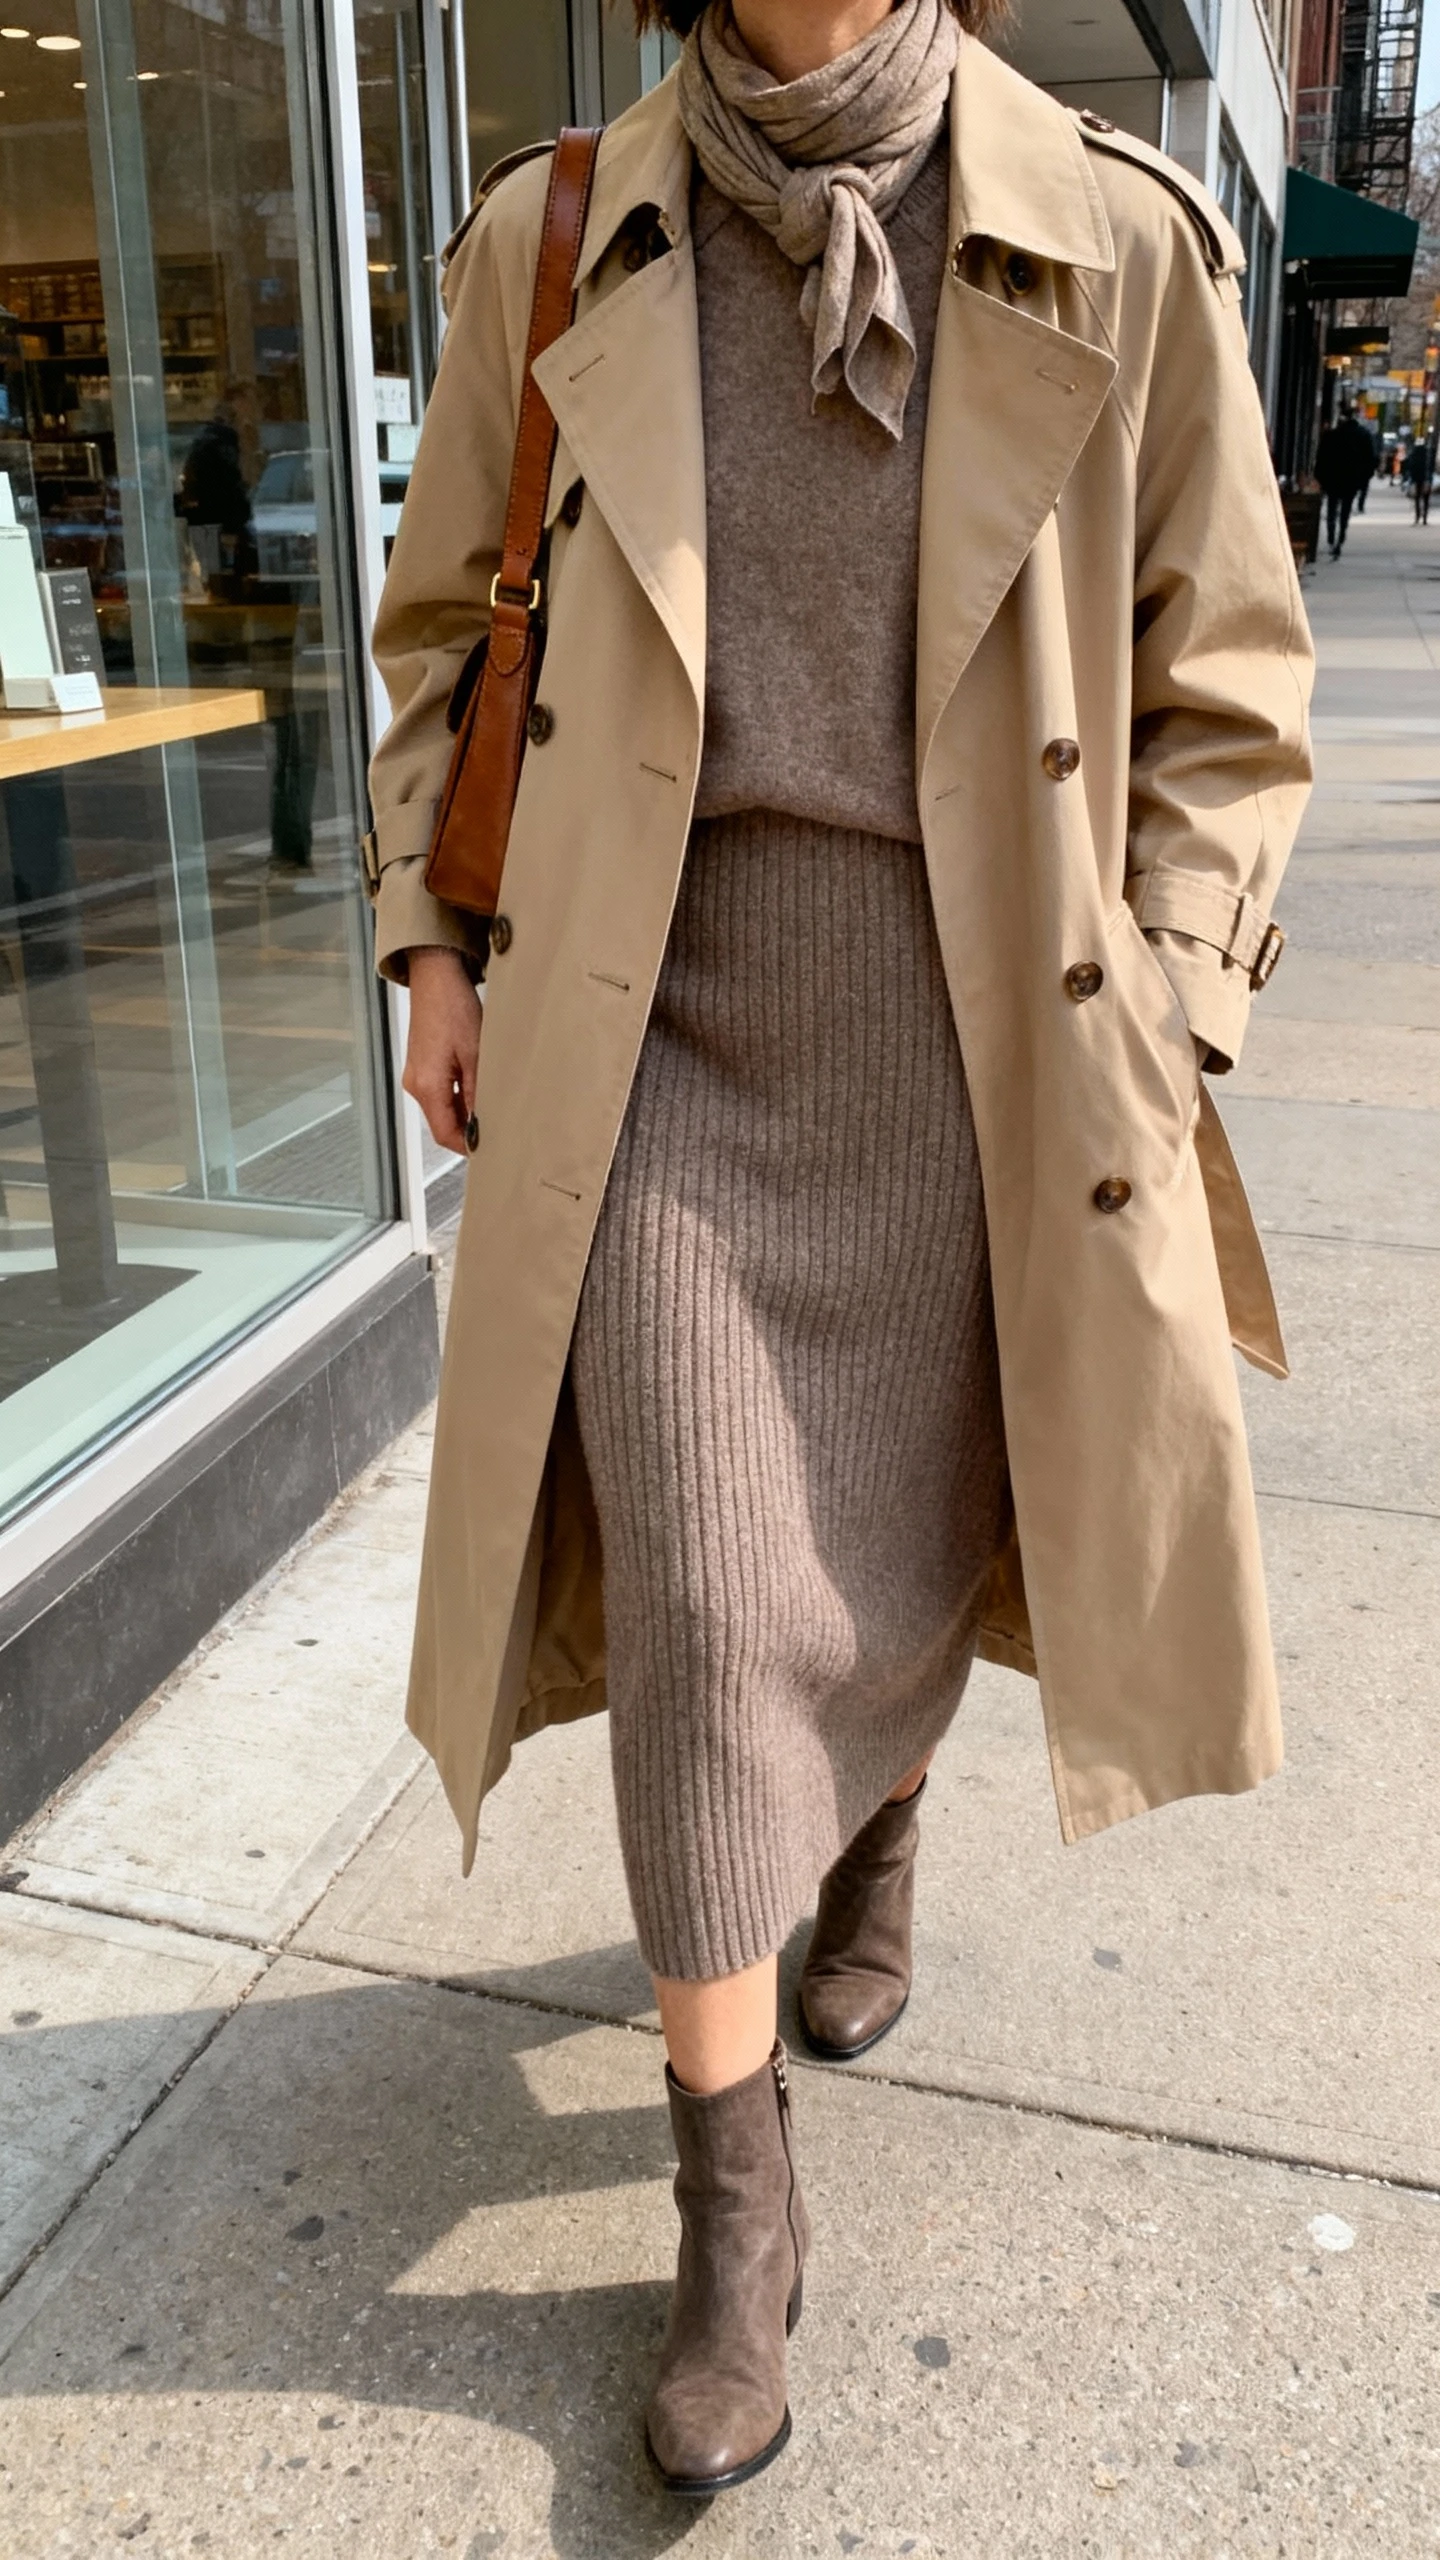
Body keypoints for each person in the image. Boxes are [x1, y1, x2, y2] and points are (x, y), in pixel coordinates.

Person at [365, 0, 1313, 2498]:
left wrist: (1167, 1010)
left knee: (887, 1546)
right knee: (703, 1592)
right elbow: (432, 625)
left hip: (985, 1057)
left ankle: (871, 1813)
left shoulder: (1117, 239)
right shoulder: (553, 233)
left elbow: (1225, 681)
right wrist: (426, 943)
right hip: (660, 1038)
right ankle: (729, 2198)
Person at [1314, 404, 1374, 557]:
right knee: (1345, 510)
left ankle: (1331, 536)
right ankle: (1341, 536)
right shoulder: (1363, 435)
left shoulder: (1331, 435)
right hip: (1351, 479)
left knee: (1332, 508)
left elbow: (1321, 458)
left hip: (1333, 478)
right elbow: (1370, 460)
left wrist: (1320, 477)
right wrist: (1364, 480)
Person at [1404, 434, 1434, 525]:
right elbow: (1430, 467)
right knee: (1426, 498)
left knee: (1417, 498)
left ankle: (1417, 516)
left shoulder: (1414, 454)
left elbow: (1410, 466)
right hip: (1426, 478)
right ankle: (1424, 518)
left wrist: (1410, 478)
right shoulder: (1429, 454)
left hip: (1417, 478)